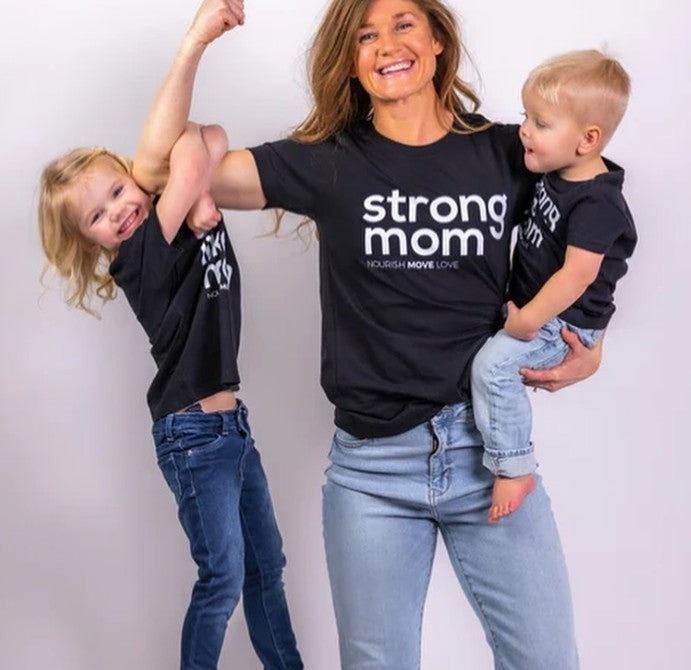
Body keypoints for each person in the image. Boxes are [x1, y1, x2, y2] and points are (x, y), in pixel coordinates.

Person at [149, 0, 605, 668]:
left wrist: (592, 346)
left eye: (402, 24)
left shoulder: (510, 152)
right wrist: (193, 43)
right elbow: (159, 172)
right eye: (365, 36)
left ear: (437, 39)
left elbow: (596, 214)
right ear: (351, 63)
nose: (386, 44)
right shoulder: (329, 162)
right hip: (372, 474)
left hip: (490, 456)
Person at [37, 4, 303, 669]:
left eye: (118, 191)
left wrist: (195, 192)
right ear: (92, 242)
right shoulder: (140, 255)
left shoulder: (171, 216)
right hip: (192, 434)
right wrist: (186, 187)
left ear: (134, 177)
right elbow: (187, 156)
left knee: (265, 569)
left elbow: (207, 135)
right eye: (97, 216)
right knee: (222, 579)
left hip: (230, 427)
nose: (118, 211)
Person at [470, 49, 637, 523]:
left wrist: (527, 319)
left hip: (562, 322)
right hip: (541, 308)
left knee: (492, 368)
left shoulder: (597, 202)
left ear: (588, 140)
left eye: (540, 123)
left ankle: (514, 467)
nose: (524, 130)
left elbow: (577, 275)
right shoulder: (558, 172)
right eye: (526, 116)